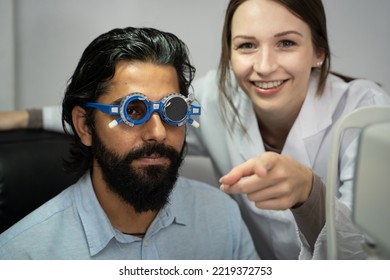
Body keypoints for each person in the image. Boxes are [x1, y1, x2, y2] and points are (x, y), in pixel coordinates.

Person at [1, 0, 389, 260]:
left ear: (319, 52)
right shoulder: (217, 99)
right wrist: (18, 119)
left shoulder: (367, 116)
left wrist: (311, 195)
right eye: (247, 45)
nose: (265, 66)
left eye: (286, 43)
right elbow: (93, 109)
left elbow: (371, 255)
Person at [0, 26, 259, 260]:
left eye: (174, 110)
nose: (158, 133)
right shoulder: (24, 254)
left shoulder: (222, 217)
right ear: (85, 126)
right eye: (134, 111)